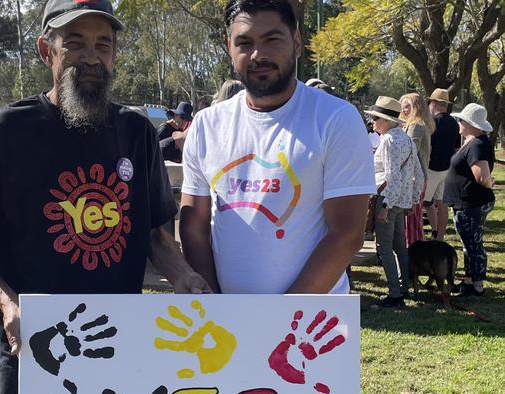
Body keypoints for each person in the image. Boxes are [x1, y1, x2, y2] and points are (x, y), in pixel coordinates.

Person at [0, 1, 210, 394]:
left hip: (120, 354)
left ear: (113, 56)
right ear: (47, 50)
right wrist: (6, 303)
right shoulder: (4, 132)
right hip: (36, 356)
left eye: (102, 44)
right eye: (75, 43)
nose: (91, 56)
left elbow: (155, 235)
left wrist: (185, 276)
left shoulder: (136, 134)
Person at [180, 0, 375, 295]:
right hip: (228, 325)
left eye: (272, 39)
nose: (258, 55)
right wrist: (215, 307)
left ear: (296, 42)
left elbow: (347, 234)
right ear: (229, 47)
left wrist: (279, 320)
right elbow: (193, 228)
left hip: (309, 326)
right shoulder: (207, 125)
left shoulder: (336, 118)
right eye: (244, 43)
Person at [367, 96, 424, 308]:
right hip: (401, 200)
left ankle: (394, 293)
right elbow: (418, 175)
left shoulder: (389, 140)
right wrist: (412, 199)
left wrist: (385, 205)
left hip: (387, 199)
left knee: (384, 247)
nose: (373, 123)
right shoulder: (406, 139)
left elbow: (392, 176)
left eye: (375, 118)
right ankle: (404, 286)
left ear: (386, 121)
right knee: (400, 245)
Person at [443, 103, 496, 297]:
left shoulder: (477, 145)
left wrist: (490, 181)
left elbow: (482, 176)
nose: (459, 123)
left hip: (472, 203)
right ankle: (469, 280)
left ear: (471, 124)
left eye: (462, 120)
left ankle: (477, 284)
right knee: (468, 243)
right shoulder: (473, 142)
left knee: (473, 243)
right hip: (465, 203)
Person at [400, 92, 434, 247]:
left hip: (414, 176)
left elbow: (409, 150)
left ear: (416, 107)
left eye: (407, 106)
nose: (403, 110)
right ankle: (416, 249)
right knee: (415, 215)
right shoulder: (423, 124)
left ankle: (413, 249)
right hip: (420, 175)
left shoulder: (416, 126)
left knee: (411, 216)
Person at [426, 88, 461, 240]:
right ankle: (439, 236)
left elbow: (429, 147)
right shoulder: (454, 123)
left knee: (421, 202)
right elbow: (457, 147)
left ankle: (416, 235)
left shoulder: (433, 123)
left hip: (431, 168)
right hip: (447, 168)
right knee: (442, 205)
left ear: (433, 103)